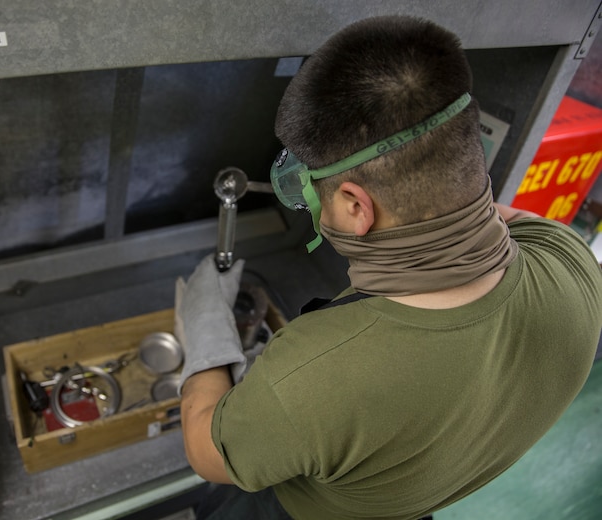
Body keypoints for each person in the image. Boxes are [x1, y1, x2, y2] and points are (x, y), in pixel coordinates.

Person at [177, 15, 602, 520]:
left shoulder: (315, 377)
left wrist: (205, 334)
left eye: (311, 193)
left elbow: (207, 451)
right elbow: (480, 216)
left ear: (357, 207)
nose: (310, 207)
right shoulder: (568, 258)